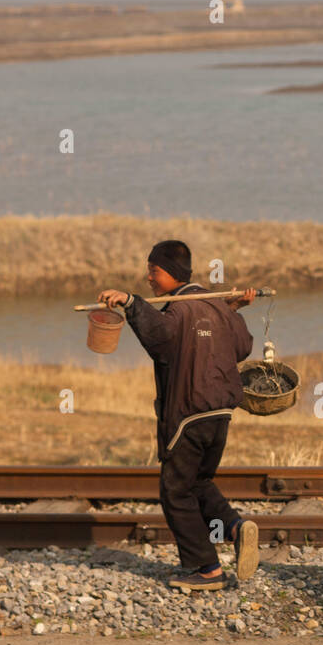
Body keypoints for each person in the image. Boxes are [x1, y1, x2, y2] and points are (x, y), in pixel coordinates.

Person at [98, 240, 259, 591]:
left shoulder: (181, 310)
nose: (149, 278)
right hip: (220, 414)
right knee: (197, 483)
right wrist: (233, 309)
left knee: (174, 492)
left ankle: (206, 569)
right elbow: (242, 345)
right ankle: (235, 528)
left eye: (154, 271)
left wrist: (129, 302)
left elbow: (161, 339)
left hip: (189, 414)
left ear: (171, 273)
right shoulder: (217, 306)